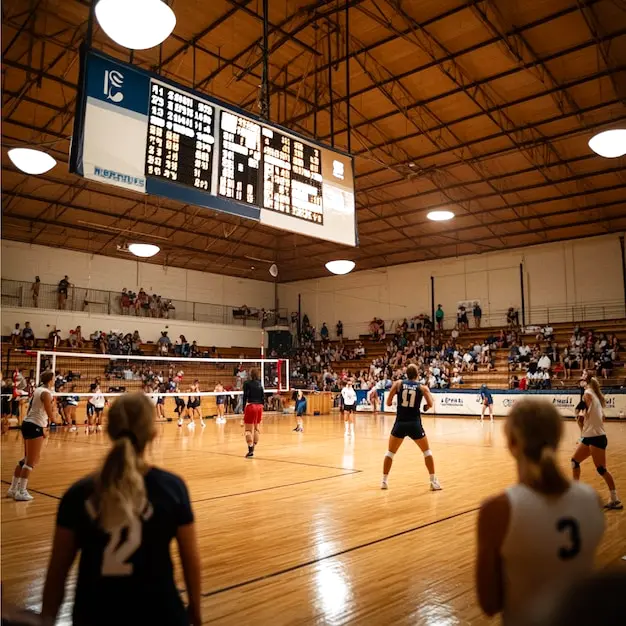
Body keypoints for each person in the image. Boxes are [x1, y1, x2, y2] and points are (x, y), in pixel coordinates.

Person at [40, 393, 202, 626]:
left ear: (109, 431)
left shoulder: (78, 494)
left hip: (94, 615)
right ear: (153, 434)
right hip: (160, 613)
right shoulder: (172, 488)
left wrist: (46, 619)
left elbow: (57, 573)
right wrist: (196, 613)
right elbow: (190, 560)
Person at [476, 399, 605, 625]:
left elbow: (490, 604)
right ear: (557, 439)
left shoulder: (498, 510)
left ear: (512, 442)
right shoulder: (592, 500)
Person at [381, 364, 441, 491]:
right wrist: (425, 407)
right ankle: (433, 481)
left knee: (390, 453)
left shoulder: (398, 384)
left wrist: (395, 402)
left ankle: (384, 481)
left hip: (400, 423)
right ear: (417, 375)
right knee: (427, 452)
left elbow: (388, 402)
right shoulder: (422, 388)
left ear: (406, 374)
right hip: (415, 424)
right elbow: (430, 404)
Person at [571, 377, 622, 509]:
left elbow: (585, 408)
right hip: (590, 437)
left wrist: (581, 413)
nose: (581, 382)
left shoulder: (588, 393)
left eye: (583, 381)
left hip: (596, 438)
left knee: (601, 469)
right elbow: (602, 417)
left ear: (588, 384)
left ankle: (614, 498)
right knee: (574, 461)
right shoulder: (596, 398)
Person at [7, 370, 55, 501]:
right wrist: (55, 420)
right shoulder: (46, 393)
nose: (54, 380)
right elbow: (49, 412)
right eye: (54, 378)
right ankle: (21, 491)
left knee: (27, 458)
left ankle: (13, 489)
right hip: (35, 425)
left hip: (28, 423)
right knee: (31, 460)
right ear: (50, 380)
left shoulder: (38, 390)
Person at [243, 368, 264, 458]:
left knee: (248, 430)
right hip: (259, 407)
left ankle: (250, 449)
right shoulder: (260, 384)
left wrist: (243, 408)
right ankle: (253, 447)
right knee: (256, 429)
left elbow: (245, 396)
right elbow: (263, 397)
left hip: (251, 406)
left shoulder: (247, 383)